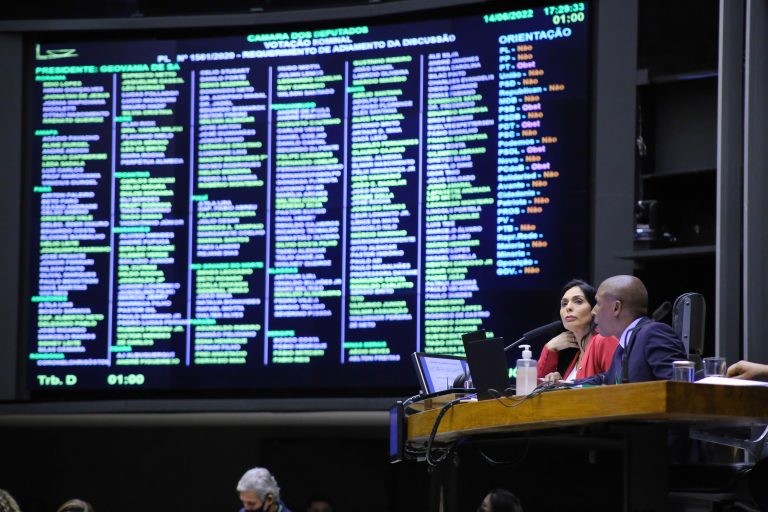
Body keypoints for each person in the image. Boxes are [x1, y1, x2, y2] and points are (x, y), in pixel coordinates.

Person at [578, 275, 686, 385]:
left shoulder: (653, 333)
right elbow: (606, 379)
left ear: (616, 308)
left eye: (598, 303)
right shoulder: (622, 348)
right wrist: (568, 385)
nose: (593, 311)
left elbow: (680, 387)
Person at [537, 279, 619, 381]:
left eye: (578, 301)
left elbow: (619, 386)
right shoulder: (574, 356)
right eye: (564, 304)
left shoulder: (604, 340)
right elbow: (534, 386)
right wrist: (550, 348)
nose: (568, 307)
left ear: (594, 308)